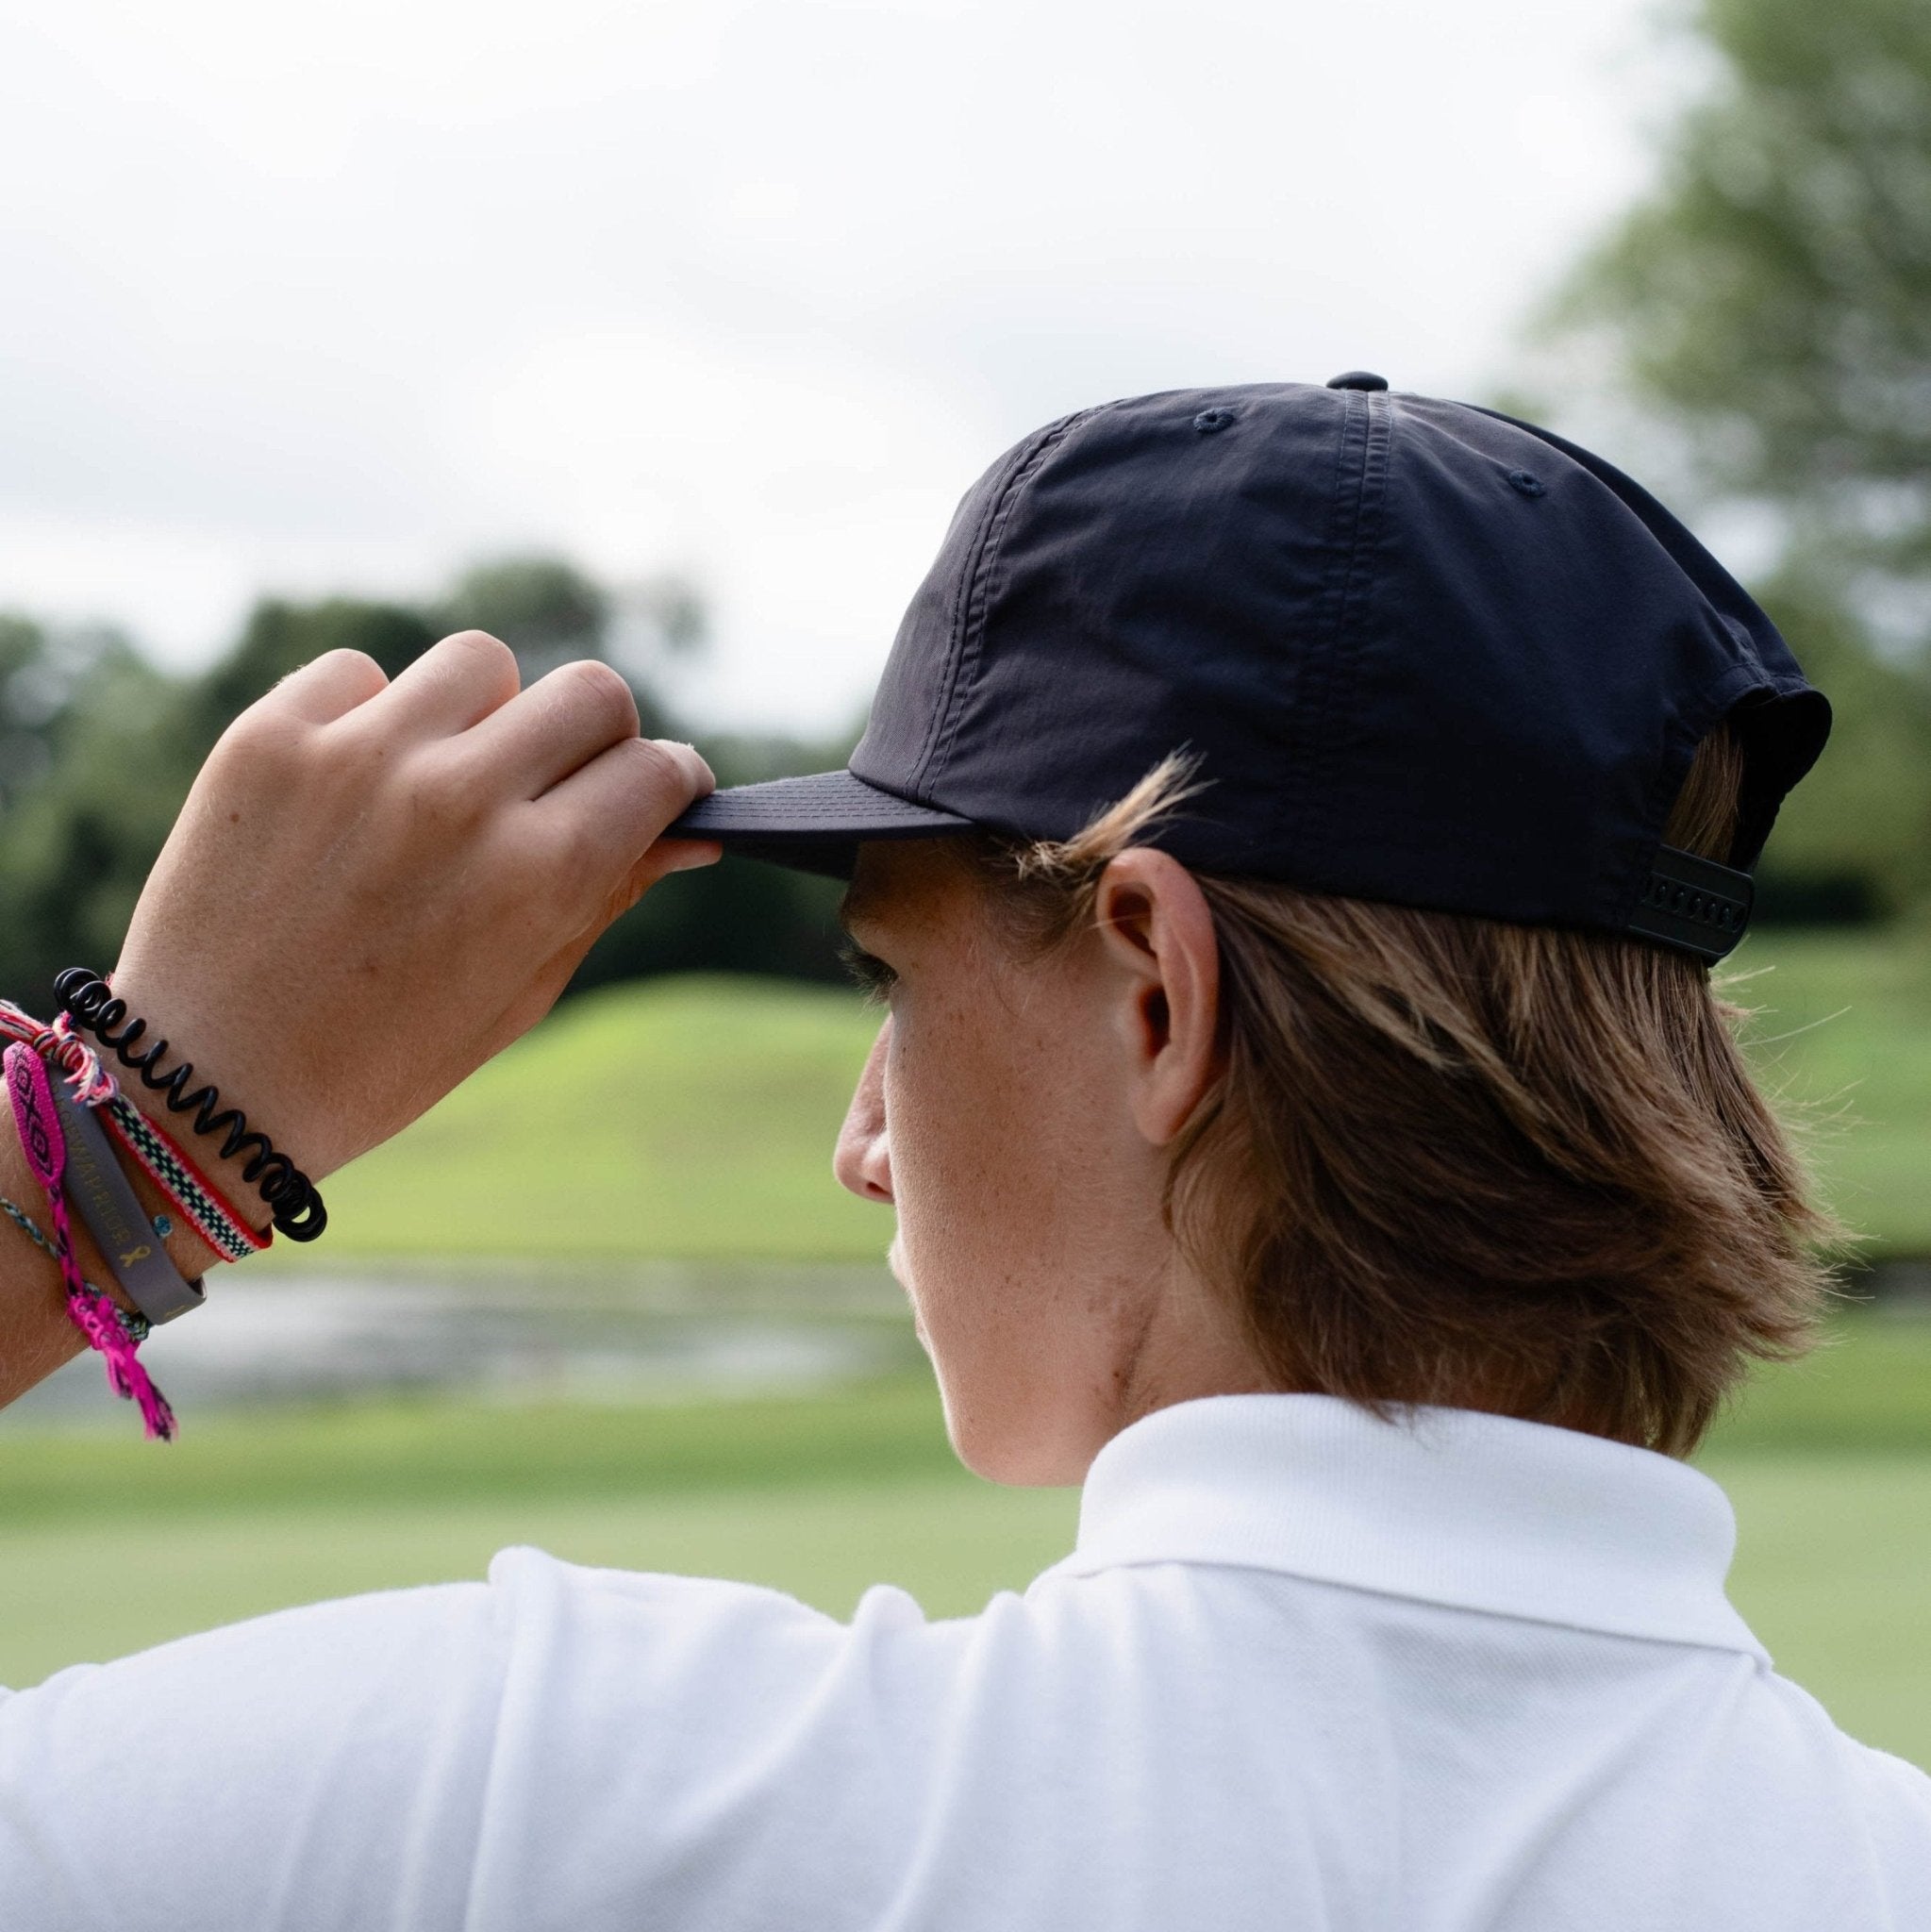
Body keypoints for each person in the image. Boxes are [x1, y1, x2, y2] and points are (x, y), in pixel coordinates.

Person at [0, 374, 1925, 1929]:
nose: (861, 1144)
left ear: (1157, 994)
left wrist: (135, 1140)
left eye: (890, 986)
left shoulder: (522, 1793)